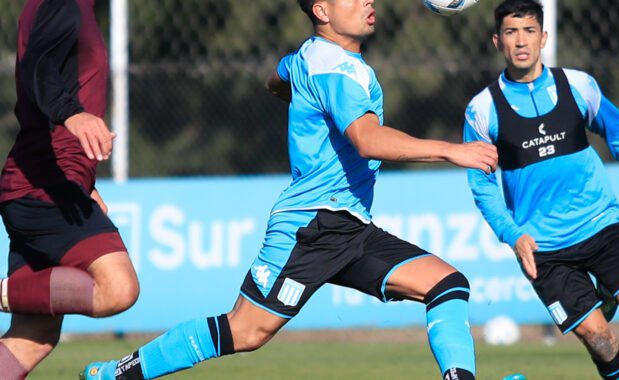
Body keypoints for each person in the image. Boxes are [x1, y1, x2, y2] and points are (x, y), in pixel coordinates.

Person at [81, 0, 497, 379]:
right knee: (244, 331)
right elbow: (368, 140)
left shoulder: (309, 55)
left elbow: (276, 79)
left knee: (447, 284)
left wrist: (304, 103)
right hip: (311, 226)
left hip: (350, 227)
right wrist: (451, 150)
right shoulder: (337, 69)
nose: (368, 1)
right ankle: (116, 375)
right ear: (322, 11)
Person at [464, 1, 619, 379]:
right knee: (598, 338)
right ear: (497, 41)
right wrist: (513, 235)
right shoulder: (483, 109)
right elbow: (482, 186)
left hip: (600, 227)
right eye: (512, 33)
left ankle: (607, 294)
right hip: (545, 248)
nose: (521, 41)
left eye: (529, 31)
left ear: (543, 37)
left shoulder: (578, 85)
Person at [0, 0, 140, 378]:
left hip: (46, 183)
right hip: (43, 187)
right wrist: (71, 112)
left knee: (35, 334)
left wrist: (84, 183)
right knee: (118, 287)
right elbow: (37, 68)